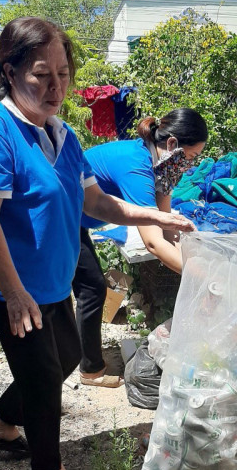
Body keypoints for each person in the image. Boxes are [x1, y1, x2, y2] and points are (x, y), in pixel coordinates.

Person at [0, 17, 194, 470]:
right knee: (45, 382)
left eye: (63, 74)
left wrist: (158, 216)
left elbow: (94, 201)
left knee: (67, 357)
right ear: (10, 73)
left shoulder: (63, 135)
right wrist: (13, 293)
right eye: (41, 74)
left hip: (51, 280)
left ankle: (0, 424)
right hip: (12, 285)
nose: (56, 86)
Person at [73, 108, 207, 388]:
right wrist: (205, 276)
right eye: (192, 157)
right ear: (172, 145)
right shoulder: (136, 166)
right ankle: (90, 370)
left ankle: (77, 355)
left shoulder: (163, 166)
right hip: (61, 217)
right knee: (91, 289)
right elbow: (153, 242)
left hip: (78, 218)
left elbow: (166, 224)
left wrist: (191, 254)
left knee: (88, 288)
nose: (191, 166)